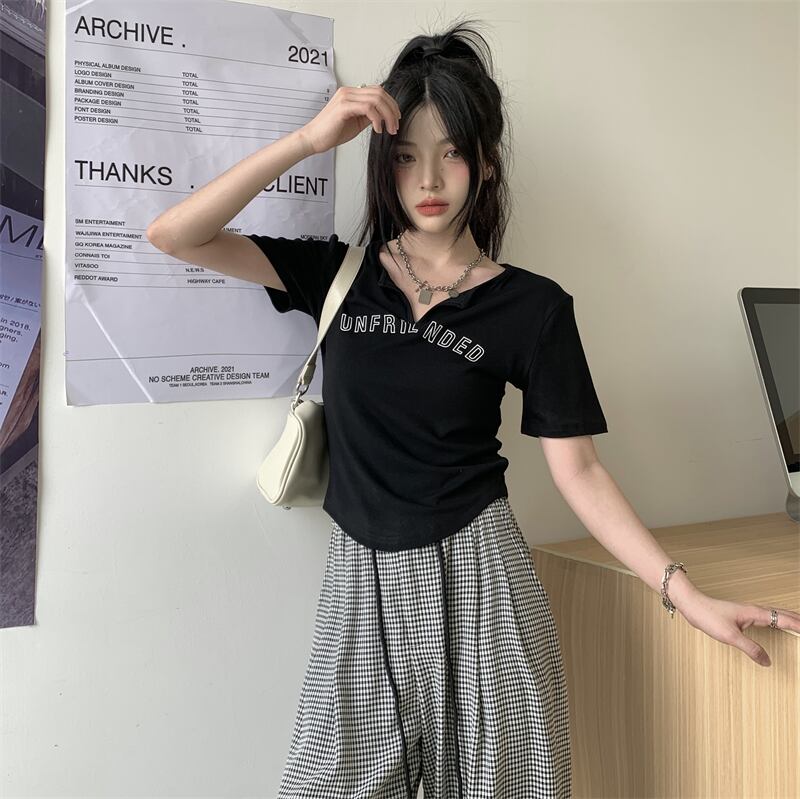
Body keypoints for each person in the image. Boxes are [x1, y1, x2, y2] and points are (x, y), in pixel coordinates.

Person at [146, 17, 800, 799]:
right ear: (383, 164)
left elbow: (581, 472)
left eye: (451, 152)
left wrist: (683, 593)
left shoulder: (533, 308)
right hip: (361, 589)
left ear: (485, 163)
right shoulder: (339, 277)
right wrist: (310, 141)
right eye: (406, 156)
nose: (429, 179)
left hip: (485, 584)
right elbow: (174, 234)